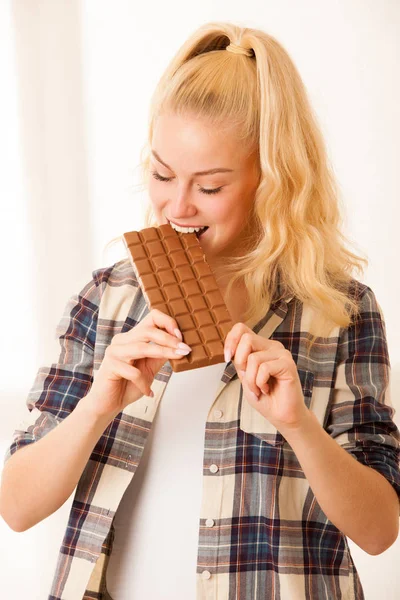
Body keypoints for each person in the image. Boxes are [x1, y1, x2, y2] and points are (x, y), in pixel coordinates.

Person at [1, 21, 399, 600]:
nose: (176, 205)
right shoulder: (105, 301)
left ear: (273, 182)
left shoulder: (338, 313)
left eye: (209, 187)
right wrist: (97, 405)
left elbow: (380, 529)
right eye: (163, 174)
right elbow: (15, 506)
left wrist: (299, 427)